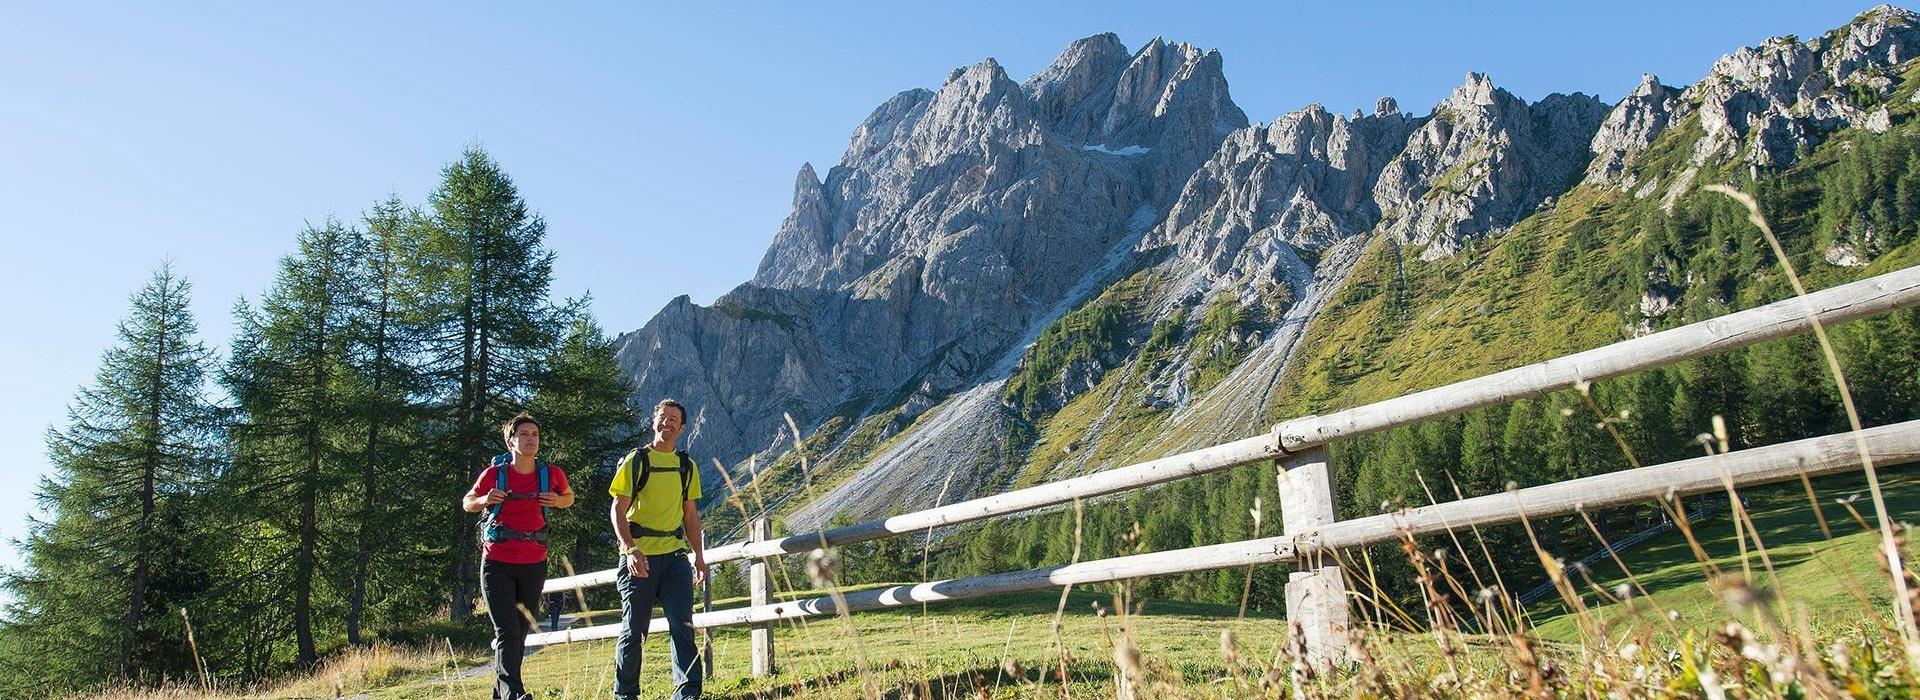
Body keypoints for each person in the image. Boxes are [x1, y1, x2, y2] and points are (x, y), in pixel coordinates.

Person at [462, 412, 575, 700]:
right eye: (524, 434)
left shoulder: (551, 474)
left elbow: (569, 497)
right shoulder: (495, 474)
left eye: (534, 435)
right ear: (510, 441)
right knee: (507, 630)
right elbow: (468, 503)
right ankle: (514, 693)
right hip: (497, 562)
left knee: (519, 634)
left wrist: (558, 500)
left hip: (534, 563)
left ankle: (500, 694)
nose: (530, 439)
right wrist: (486, 499)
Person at [609, 399, 708, 700]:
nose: (667, 422)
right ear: (653, 422)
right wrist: (630, 549)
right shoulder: (636, 461)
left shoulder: (686, 466)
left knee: (682, 625)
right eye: (662, 417)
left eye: (673, 419)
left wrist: (700, 557)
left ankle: (688, 693)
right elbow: (618, 508)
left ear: (683, 427)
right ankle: (625, 694)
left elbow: (690, 515)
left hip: (675, 558)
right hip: (640, 557)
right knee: (635, 630)